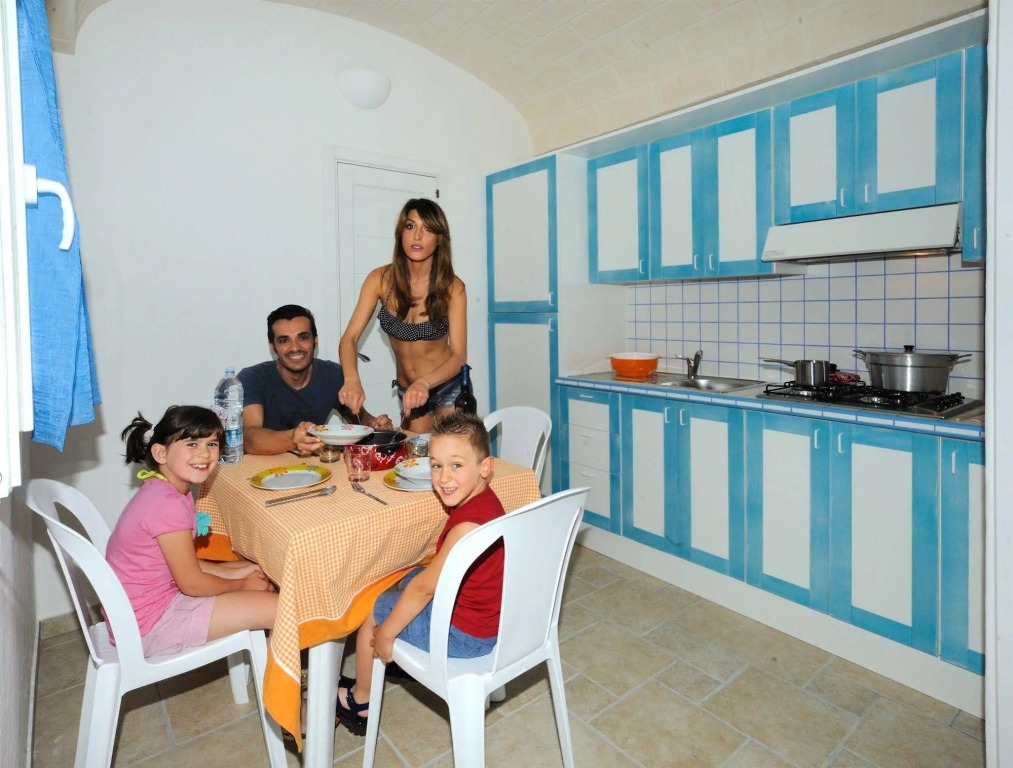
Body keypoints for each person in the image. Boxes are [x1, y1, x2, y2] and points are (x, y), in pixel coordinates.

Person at [333, 411, 503, 730]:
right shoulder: (486, 501)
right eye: (436, 465)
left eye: (456, 465)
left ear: (485, 467)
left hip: (463, 637)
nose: (444, 477)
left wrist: (386, 633)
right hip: (482, 616)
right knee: (407, 578)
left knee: (371, 609)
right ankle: (402, 650)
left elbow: (424, 589)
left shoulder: (465, 528)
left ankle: (362, 700)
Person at [105, 406, 277, 657]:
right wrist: (241, 584)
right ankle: (281, 679)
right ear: (161, 453)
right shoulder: (167, 505)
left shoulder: (164, 489)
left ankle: (270, 666)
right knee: (281, 611)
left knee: (255, 578)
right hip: (150, 625)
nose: (205, 453)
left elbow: (179, 563)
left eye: (212, 444)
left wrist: (234, 571)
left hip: (141, 612)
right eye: (192, 444)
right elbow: (192, 584)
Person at [338, 199, 467, 433]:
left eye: (427, 229)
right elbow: (350, 338)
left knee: (450, 451)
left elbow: (458, 356)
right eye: (410, 226)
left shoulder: (452, 287)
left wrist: (425, 382)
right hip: (409, 392)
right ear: (400, 232)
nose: (417, 236)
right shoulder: (379, 280)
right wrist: (351, 379)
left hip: (447, 387)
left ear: (439, 239)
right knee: (413, 451)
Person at [240, 304, 392, 456]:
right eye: (284, 340)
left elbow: (358, 418)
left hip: (316, 465)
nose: (295, 347)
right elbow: (249, 438)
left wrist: (374, 424)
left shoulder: (333, 374)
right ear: (273, 347)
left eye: (303, 338)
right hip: (263, 466)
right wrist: (293, 439)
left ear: (315, 341)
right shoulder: (253, 378)